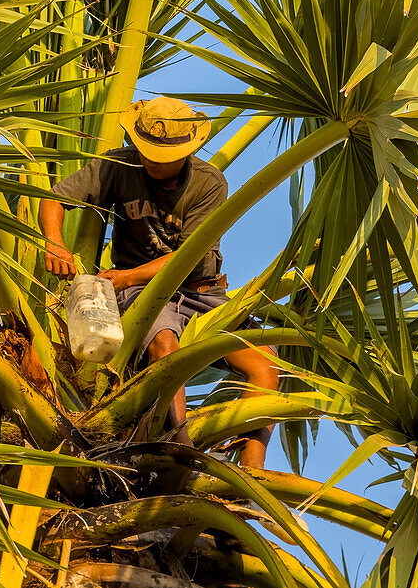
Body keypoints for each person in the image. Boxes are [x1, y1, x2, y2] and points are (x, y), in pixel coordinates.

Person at [39, 96, 279, 468]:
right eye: (145, 152)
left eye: (161, 158)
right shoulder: (119, 165)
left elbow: (190, 258)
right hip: (147, 295)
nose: (150, 162)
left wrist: (125, 277)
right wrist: (54, 242)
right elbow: (54, 200)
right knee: (164, 342)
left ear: (186, 152)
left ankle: (252, 470)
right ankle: (180, 446)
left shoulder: (209, 183)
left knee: (265, 364)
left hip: (201, 292)